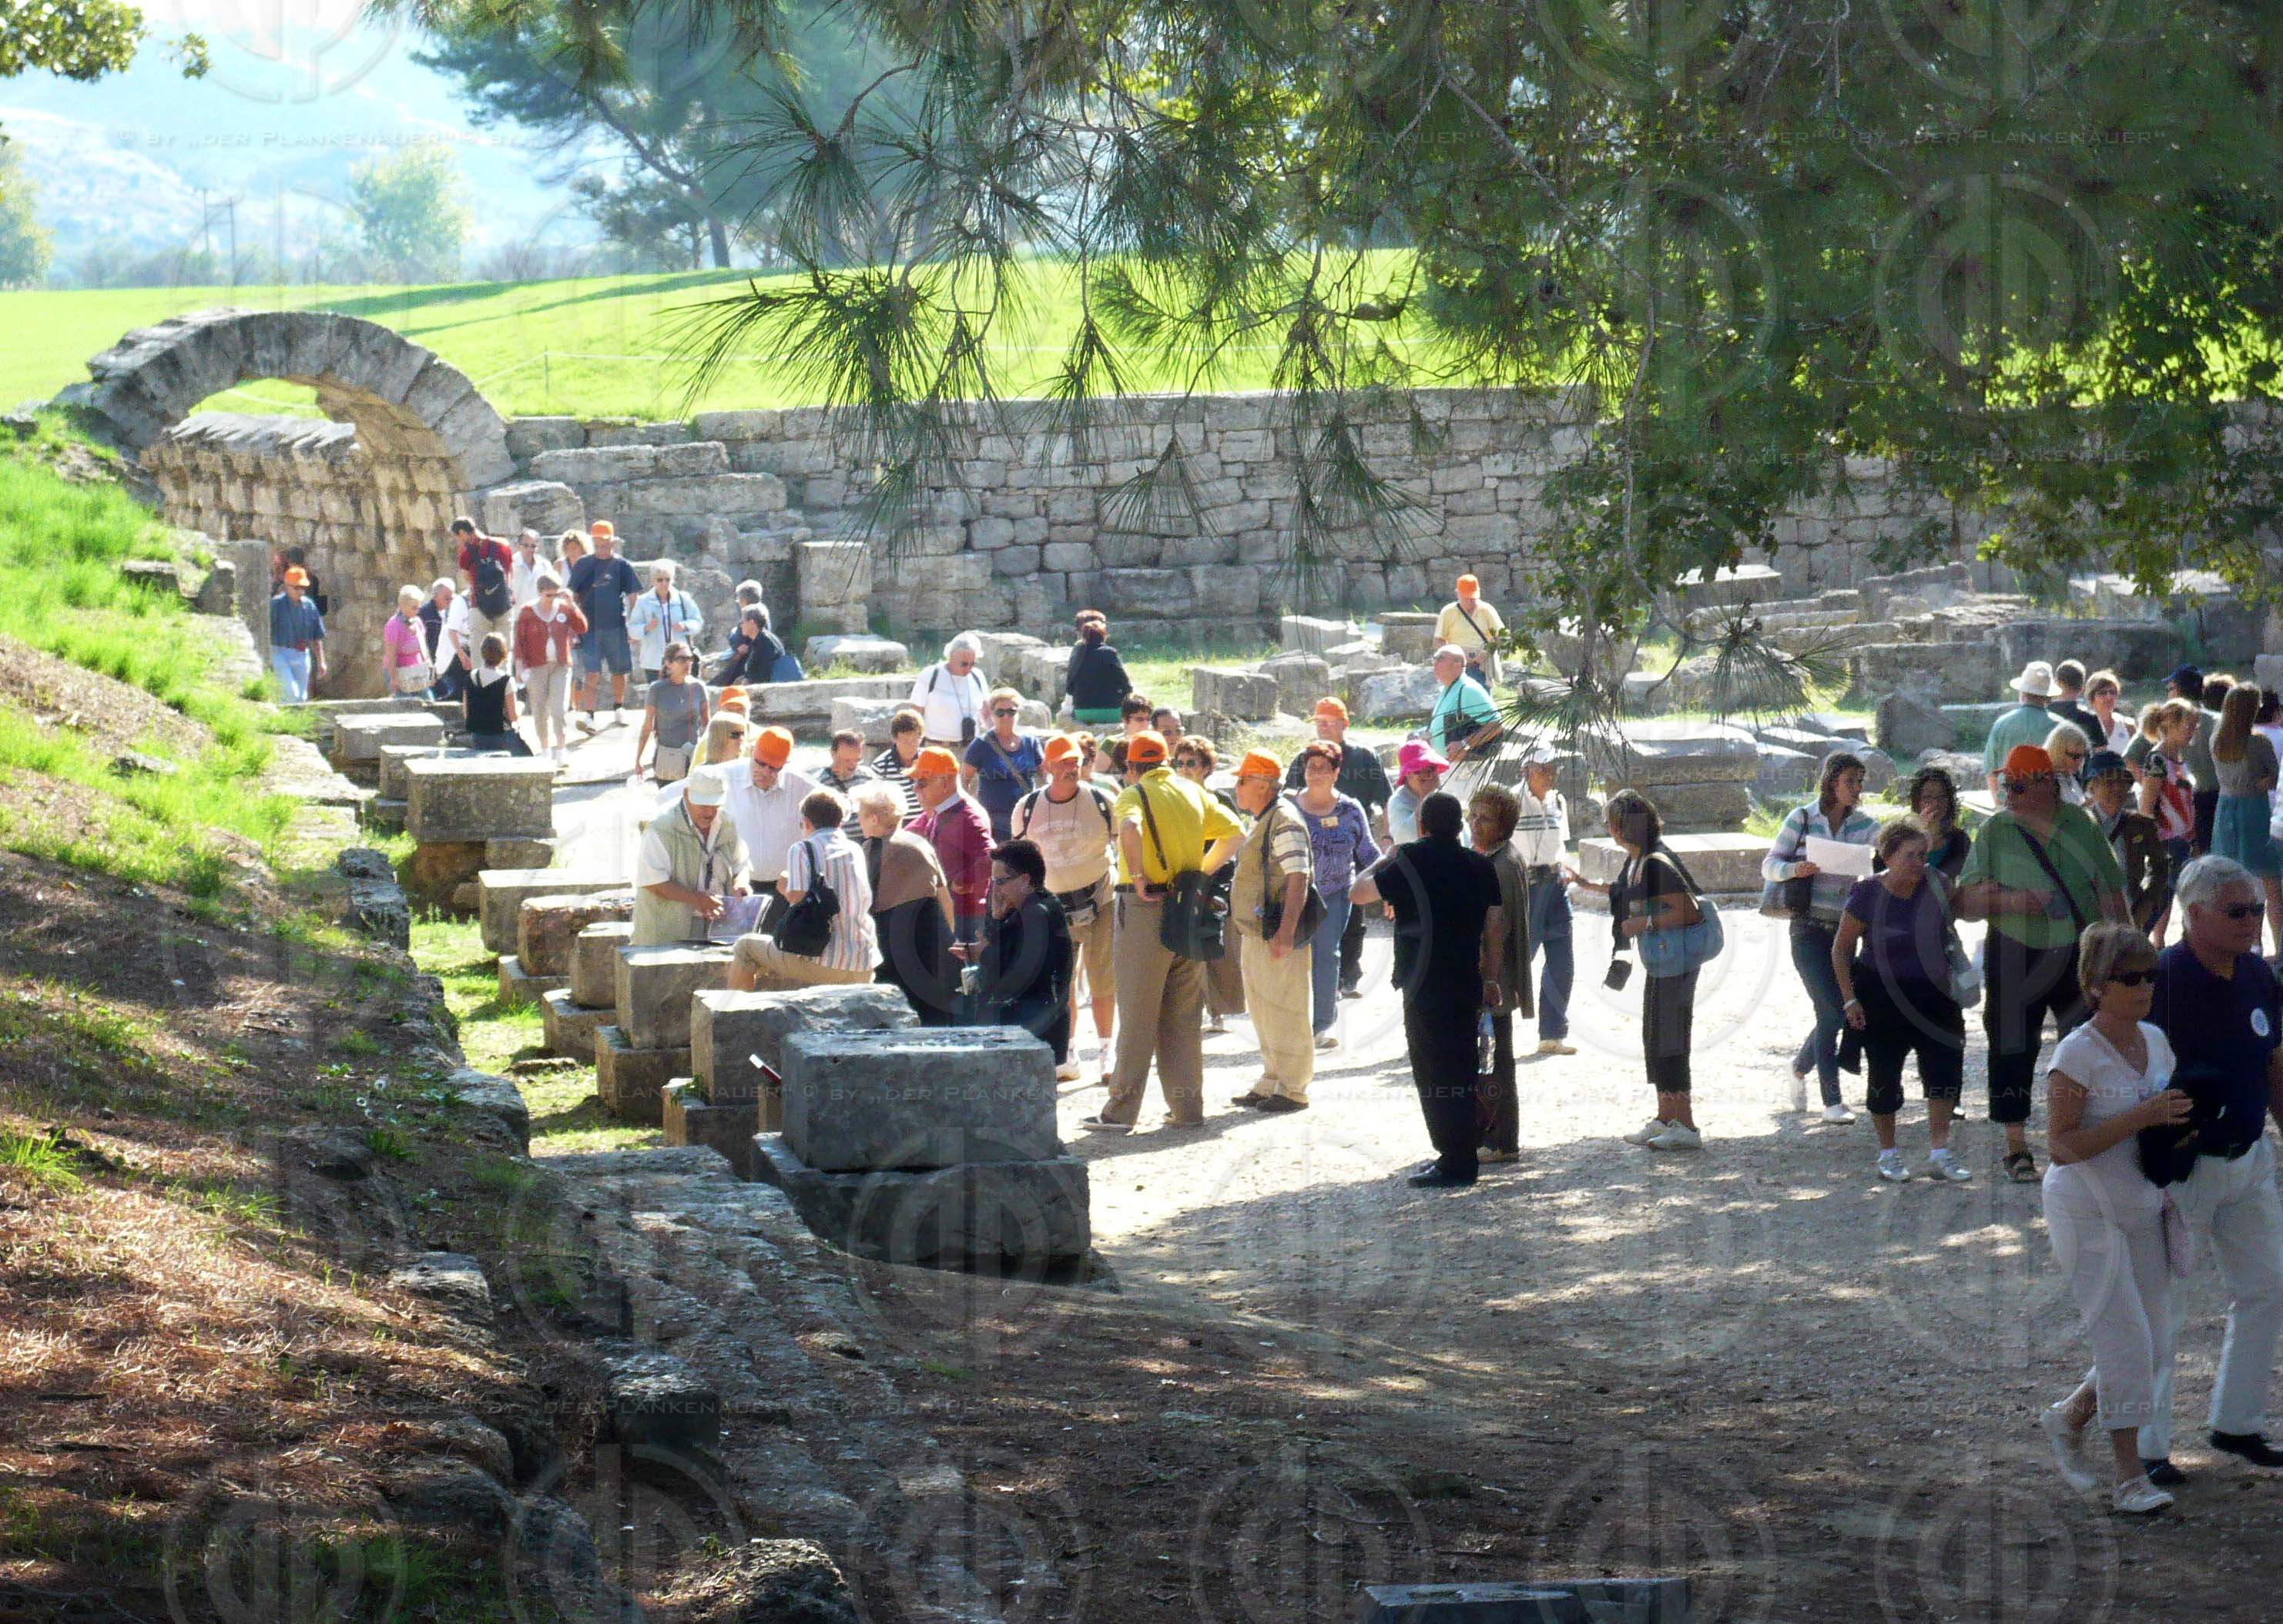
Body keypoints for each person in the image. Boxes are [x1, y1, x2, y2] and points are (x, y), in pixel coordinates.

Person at [2137, 855, 2283, 1485]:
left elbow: (2274, 1060)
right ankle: (2146, 1447)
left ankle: (2237, 1420)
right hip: (2184, 1168)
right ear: (2193, 913)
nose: (2254, 920)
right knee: (2162, 1308)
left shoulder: (2257, 973)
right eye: (2237, 910)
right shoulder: (2158, 982)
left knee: (2268, 1286)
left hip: (2249, 1157)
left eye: (2256, 908)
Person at [2037, 922, 2191, 1515]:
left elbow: (2161, 1121)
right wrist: (2144, 1115)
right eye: (2130, 977)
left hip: (2141, 1202)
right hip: (2083, 1206)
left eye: (2150, 974)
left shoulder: (2156, 1039)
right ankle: (2129, 1477)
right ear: (2096, 986)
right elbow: (2060, 1145)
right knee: (2123, 1339)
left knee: (2155, 1341)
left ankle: (2068, 1416)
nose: (2144, 986)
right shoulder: (2075, 1054)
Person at [1956, 744, 2130, 1182]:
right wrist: (2016, 900)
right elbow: (1964, 902)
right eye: (2004, 785)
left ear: (2045, 785)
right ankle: (2016, 1147)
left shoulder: (2081, 825)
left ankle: (2076, 1138)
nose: (2006, 794)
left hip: (2079, 950)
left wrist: (2125, 950)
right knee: (2012, 1045)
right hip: (2014, 949)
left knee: (2085, 1045)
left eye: (2015, 786)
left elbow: (2110, 892)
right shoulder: (1995, 831)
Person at [1082, 730, 1242, 1133]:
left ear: (1132, 767)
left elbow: (1131, 829)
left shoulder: (1132, 795)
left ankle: (1120, 1112)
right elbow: (1236, 833)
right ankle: (1187, 1110)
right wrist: (1201, 873)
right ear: (1167, 761)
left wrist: (1136, 875)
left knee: (1138, 1014)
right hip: (1187, 906)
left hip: (1144, 909)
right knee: (1183, 1016)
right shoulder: (1192, 792)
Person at [1354, 792, 1504, 1187]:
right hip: (1466, 976)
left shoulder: (1410, 861)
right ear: (1460, 827)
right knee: (1463, 1064)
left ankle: (1453, 1157)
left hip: (1423, 980)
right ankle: (1463, 1150)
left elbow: (1359, 892)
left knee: (1433, 1069)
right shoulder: (1478, 865)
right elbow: (1493, 928)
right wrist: (1491, 977)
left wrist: (1387, 855)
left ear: (1422, 826)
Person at [1832, 817, 1972, 1183]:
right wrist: (1850, 1001)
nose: (1918, 863)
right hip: (1882, 995)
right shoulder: (1866, 893)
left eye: (1923, 855)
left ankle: (1940, 1153)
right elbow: (1842, 949)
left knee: (1943, 1073)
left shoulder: (1938, 884)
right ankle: (1888, 1154)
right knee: (1884, 1074)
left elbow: (1955, 923)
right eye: (1909, 856)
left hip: (1936, 995)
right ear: (1887, 856)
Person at [1764, 752, 1879, 1123]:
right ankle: (1832, 1101)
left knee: (1839, 1010)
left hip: (1845, 932)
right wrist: (1796, 868)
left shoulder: (1864, 825)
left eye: (1861, 782)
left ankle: (1799, 1067)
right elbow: (1770, 865)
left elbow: (1889, 852)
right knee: (1830, 1008)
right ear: (1832, 781)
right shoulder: (1801, 818)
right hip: (1808, 929)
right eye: (1851, 781)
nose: (1857, 789)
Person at [1597, 790, 1703, 1151]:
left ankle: (1685, 1124)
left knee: (1672, 1039)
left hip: (1678, 963)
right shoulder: (1639, 859)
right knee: (1656, 1036)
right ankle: (1665, 1116)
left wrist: (1642, 923)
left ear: (1618, 827)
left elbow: (1688, 912)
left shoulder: (1656, 861)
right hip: (1662, 962)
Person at [1012, 734, 1119, 1079]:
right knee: (1063, 984)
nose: (1071, 769)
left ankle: (1107, 1053)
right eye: (1063, 763)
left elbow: (1124, 845)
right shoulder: (1027, 808)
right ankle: (1069, 1053)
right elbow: (1019, 863)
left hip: (1101, 899)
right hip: (1055, 907)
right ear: (1047, 767)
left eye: (1075, 762)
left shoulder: (1102, 800)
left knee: (1104, 982)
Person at [1284, 698, 1391, 998]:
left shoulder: (1365, 757)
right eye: (1318, 722)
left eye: (1328, 722)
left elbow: (1386, 799)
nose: (1322, 727)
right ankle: (1318, 979)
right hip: (1313, 845)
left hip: (1355, 839)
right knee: (1313, 912)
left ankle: (1349, 973)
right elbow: (1285, 798)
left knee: (1353, 912)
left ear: (1345, 724)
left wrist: (1387, 838)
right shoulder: (1304, 758)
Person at [1227, 750, 1314, 1113]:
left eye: (1243, 780)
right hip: (1258, 931)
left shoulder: (1284, 820)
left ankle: (1293, 1088)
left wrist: (1286, 931)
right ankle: (1272, 1078)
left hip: (1276, 932)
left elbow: (1299, 876)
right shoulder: (1267, 818)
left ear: (1263, 784)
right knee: (1263, 1009)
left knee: (1286, 1008)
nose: (1237, 787)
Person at [729, 789, 877, 990]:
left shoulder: (802, 849)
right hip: (864, 962)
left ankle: (734, 1018)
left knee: (745, 947)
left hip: (825, 961)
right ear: (840, 822)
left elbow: (797, 900)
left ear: (807, 823)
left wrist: (784, 887)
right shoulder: (856, 849)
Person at [1289, 739, 1381, 1050]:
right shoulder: (1288, 807)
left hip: (1337, 894)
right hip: (1295, 894)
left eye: (1323, 768)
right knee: (1294, 958)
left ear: (1336, 771)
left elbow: (1369, 852)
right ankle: (1292, 1024)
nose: (1316, 773)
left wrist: (1389, 887)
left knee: (1327, 955)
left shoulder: (1350, 808)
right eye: (1311, 767)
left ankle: (1321, 1026)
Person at [956, 839, 1074, 1065]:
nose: (995, 889)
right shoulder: (1024, 908)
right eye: (993, 882)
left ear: (1025, 880)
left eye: (1000, 882)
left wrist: (984, 953)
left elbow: (1018, 975)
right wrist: (995, 920)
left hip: (1036, 1032)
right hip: (1027, 1027)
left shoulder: (1038, 915)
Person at [1469, 784, 1537, 1167]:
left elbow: (1497, 928)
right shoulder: (1497, 859)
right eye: (1473, 816)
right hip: (1497, 980)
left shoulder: (1501, 866)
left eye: (1486, 819)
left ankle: (1500, 1141)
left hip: (1496, 981)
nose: (1476, 824)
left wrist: (1489, 981)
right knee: (1491, 1058)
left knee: (1494, 1061)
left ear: (1504, 825)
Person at [854, 783, 956, 1025]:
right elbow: (945, 897)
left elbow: (863, 901)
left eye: (861, 816)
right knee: (936, 1011)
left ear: (875, 819)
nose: (858, 821)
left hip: (894, 937)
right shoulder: (920, 844)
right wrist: (951, 938)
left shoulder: (869, 850)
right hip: (932, 931)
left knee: (897, 1012)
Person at [1510, 747, 1579, 1055]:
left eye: (1554, 769)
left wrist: (1564, 868)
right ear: (1527, 770)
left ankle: (1552, 1034)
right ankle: (1484, 1028)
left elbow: (1560, 844)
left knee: (1562, 962)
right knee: (1516, 963)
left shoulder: (1558, 801)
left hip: (1554, 886)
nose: (1549, 775)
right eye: (1543, 769)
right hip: (1524, 888)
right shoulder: (1510, 801)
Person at [632, 767, 748, 946]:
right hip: (666, 931)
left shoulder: (727, 823)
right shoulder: (660, 827)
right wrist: (697, 899)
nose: (709, 813)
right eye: (703, 805)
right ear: (686, 795)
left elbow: (741, 864)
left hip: (716, 926)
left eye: (715, 805)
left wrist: (740, 884)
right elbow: (653, 882)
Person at [1176, 737, 1245, 1032]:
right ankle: (1196, 1010)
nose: (1184, 769)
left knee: (1218, 946)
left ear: (1206, 767)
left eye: (1191, 763)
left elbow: (1234, 840)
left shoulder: (1221, 800)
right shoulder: (1173, 800)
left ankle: (1219, 1010)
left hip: (1218, 879)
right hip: (1184, 879)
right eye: (1179, 763)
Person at [2210, 680, 2283, 953]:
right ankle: (2274, 946)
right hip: (2254, 808)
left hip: (2226, 806)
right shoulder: (2258, 743)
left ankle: (2241, 942)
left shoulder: (2216, 740)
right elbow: (2274, 778)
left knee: (2228, 874)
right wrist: (2265, 780)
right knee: (2269, 880)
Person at [907, 745, 995, 961]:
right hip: (955, 912)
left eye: (922, 783)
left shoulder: (967, 816)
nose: (916, 789)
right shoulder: (942, 810)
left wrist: (961, 881)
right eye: (914, 783)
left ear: (945, 782)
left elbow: (991, 856)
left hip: (967, 917)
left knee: (966, 982)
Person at [721, 726, 817, 909]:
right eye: (760, 763)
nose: (765, 772)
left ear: (785, 765)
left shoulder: (802, 786)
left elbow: (839, 808)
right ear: (751, 752)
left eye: (774, 769)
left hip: (786, 887)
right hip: (738, 884)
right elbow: (674, 794)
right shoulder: (726, 776)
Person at [2086, 749, 2171, 933]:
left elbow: (2162, 866)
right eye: (2109, 783)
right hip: (2088, 918)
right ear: (2092, 788)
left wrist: (2148, 901)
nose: (2117, 788)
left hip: (2129, 914)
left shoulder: (2141, 825)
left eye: (2122, 782)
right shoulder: (2077, 825)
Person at [568, 521, 640, 727]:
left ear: (613, 542)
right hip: (589, 628)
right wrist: (575, 623)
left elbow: (633, 595)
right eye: (598, 542)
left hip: (616, 626)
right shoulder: (583, 564)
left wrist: (632, 623)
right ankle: (589, 714)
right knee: (592, 671)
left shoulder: (622, 565)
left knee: (620, 670)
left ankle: (619, 707)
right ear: (592, 541)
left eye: (605, 542)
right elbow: (572, 594)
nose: (601, 547)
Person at [512, 573, 586, 765]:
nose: (552, 599)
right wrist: (519, 666)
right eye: (548, 595)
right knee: (539, 709)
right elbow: (519, 642)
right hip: (536, 666)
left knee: (559, 708)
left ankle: (561, 750)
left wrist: (572, 604)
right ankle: (545, 749)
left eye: (555, 595)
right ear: (540, 593)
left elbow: (582, 627)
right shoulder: (527, 611)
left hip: (560, 665)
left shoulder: (564, 608)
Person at [963, 686, 1044, 842]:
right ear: (992, 715)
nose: (1006, 716)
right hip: (995, 823)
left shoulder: (1031, 743)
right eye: (1000, 712)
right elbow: (964, 782)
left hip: (1027, 819)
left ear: (1018, 713)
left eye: (1011, 712)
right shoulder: (980, 745)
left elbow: (1045, 776)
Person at [635, 641, 709, 785]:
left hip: (693, 757)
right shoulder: (657, 689)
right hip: (667, 758)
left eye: (690, 659)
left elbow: (708, 725)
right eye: (682, 659)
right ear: (668, 663)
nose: (688, 663)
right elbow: (647, 726)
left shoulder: (698, 687)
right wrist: (638, 759)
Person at [1984, 661, 2058, 801]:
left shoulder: (2001, 724)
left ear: (2022, 692)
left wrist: (1998, 805)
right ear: (2049, 696)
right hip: (2046, 806)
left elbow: (1990, 771)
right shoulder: (2059, 727)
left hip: (2009, 802)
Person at [2168, 663, 2221, 856]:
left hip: (2184, 798)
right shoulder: (2218, 720)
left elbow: (2131, 757)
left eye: (2170, 688)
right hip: (2220, 795)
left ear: (2178, 690)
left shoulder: (2168, 720)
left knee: (2191, 856)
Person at [450, 517, 516, 671]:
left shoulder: (465, 552)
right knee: (505, 653)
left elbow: (468, 579)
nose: (458, 541)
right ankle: (504, 690)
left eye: (457, 537)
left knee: (479, 656)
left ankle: (482, 691)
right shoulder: (502, 545)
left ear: (462, 533)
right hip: (503, 605)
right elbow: (510, 572)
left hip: (479, 606)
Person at [628, 561, 705, 685]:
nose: (664, 583)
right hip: (653, 659)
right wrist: (646, 627)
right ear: (653, 581)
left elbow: (697, 622)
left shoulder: (683, 598)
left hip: (680, 659)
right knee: (657, 696)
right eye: (660, 580)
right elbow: (632, 629)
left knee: (682, 694)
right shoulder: (643, 601)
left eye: (667, 579)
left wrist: (685, 626)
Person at [1426, 645, 1502, 766]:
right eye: (1434, 659)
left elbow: (1495, 725)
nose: (1434, 663)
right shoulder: (1449, 688)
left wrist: (1465, 744)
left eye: (1440, 659)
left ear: (1458, 663)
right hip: (1450, 764)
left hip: (1467, 767)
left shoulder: (1468, 689)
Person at [911, 634, 990, 748]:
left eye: (972, 664)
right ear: (951, 658)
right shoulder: (930, 675)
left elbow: (987, 714)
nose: (968, 669)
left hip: (970, 748)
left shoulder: (977, 676)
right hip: (936, 747)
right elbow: (915, 713)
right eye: (964, 664)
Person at [461, 633, 529, 754]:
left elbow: (466, 712)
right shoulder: (507, 680)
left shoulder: (471, 677)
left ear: (483, 652)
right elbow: (513, 717)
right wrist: (520, 707)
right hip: (501, 737)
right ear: (503, 654)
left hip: (478, 736)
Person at [267, 565, 327, 703]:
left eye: (303, 588)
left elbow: (316, 636)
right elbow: (266, 630)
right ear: (287, 586)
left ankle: (293, 723)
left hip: (301, 654)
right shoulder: (276, 605)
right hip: (279, 653)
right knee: (290, 693)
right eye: (297, 588)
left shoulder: (309, 606)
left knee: (301, 698)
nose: (300, 591)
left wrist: (321, 661)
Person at [1902, 764, 1971, 882]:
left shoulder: (1960, 841)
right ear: (1916, 801)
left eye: (1941, 797)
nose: (1935, 803)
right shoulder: (1900, 837)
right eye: (1927, 797)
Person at [1064, 611, 1133, 727]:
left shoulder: (1077, 653)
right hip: (1111, 711)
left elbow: (1069, 688)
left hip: (1082, 712)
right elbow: (1126, 685)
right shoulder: (1109, 652)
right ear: (1104, 635)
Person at [1435, 573, 1507, 683]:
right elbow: (1438, 641)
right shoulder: (1448, 612)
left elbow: (1501, 637)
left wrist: (1486, 652)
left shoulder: (1487, 610)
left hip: (1480, 666)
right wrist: (1449, 659)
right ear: (1458, 595)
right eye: (1467, 598)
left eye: (1473, 598)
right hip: (1456, 667)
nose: (1471, 602)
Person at [1388, 741, 1447, 845]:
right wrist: (1425, 796)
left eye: (1432, 768)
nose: (1429, 776)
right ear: (1407, 775)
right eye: (1419, 771)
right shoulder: (1398, 801)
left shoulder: (1443, 797)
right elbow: (1408, 837)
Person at [872, 708, 927, 818]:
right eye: (905, 741)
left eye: (915, 740)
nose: (911, 746)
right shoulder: (881, 767)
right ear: (895, 739)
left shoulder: (928, 760)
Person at [383, 584, 434, 698]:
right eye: (414, 608)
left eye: (418, 607)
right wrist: (393, 679)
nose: (417, 611)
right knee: (405, 707)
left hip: (417, 672)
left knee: (429, 701)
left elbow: (424, 648)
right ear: (403, 606)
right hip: (399, 673)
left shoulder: (417, 622)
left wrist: (430, 670)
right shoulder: (393, 625)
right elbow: (391, 655)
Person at [417, 579, 461, 702]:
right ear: (435, 596)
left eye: (452, 598)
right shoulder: (426, 615)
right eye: (446, 598)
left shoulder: (451, 612)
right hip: (428, 666)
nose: (450, 602)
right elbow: (425, 645)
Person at [2048, 659, 2099, 744]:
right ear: (2082, 688)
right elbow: (2100, 753)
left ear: (2056, 683)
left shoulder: (2044, 714)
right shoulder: (2091, 719)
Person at [2084, 668, 2135, 754]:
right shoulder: (2083, 726)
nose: (2109, 697)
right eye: (2102, 693)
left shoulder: (2128, 726)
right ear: (2091, 698)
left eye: (2113, 692)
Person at [816, 728, 879, 797]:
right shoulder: (819, 784)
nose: (852, 766)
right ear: (833, 754)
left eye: (857, 760)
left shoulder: (868, 776)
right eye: (847, 760)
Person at [2046, 722, 2092, 804]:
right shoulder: (2045, 782)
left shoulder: (2073, 777)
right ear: (2058, 752)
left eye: (2083, 755)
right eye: (2075, 756)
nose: (2080, 761)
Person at [509, 529, 546, 613]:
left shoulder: (545, 565)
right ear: (518, 546)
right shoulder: (510, 565)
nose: (530, 549)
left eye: (533, 546)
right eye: (526, 545)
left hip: (539, 617)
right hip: (516, 617)